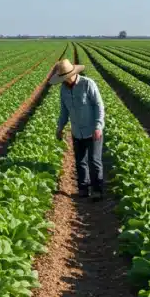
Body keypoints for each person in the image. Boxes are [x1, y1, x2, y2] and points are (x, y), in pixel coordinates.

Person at [52, 58, 106, 200]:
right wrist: (60, 127)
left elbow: (98, 106)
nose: (63, 80)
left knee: (94, 161)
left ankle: (97, 190)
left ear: (71, 75)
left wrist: (98, 126)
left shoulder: (88, 84)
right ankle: (83, 188)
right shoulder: (63, 89)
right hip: (77, 131)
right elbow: (64, 110)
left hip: (92, 130)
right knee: (80, 160)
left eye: (64, 78)